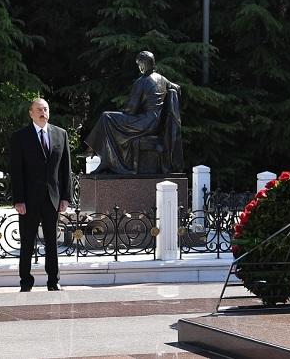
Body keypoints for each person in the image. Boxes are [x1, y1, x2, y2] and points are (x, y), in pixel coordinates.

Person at [10, 98, 72, 292]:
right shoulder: (20, 137)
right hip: (28, 200)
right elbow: (16, 171)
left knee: (52, 242)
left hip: (52, 198)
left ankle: (53, 281)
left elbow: (66, 169)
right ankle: (25, 282)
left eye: (45, 109)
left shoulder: (61, 134)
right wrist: (18, 199)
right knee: (27, 242)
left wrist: (65, 197)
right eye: (38, 109)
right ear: (31, 113)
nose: (42, 112)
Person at [85, 51, 182, 174]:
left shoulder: (142, 81)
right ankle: (103, 159)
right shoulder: (162, 79)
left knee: (106, 117)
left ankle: (96, 153)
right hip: (155, 124)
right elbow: (177, 88)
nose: (139, 67)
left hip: (144, 123)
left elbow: (131, 110)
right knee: (110, 119)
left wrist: (123, 112)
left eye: (139, 64)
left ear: (144, 64)